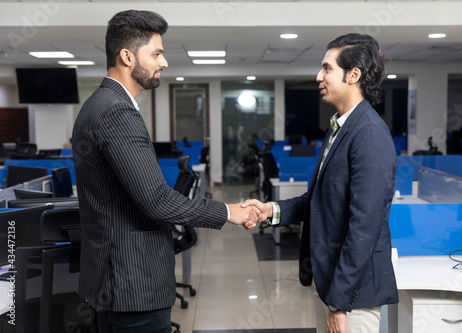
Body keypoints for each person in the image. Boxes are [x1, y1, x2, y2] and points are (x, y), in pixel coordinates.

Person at [72, 10, 262, 332]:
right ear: (128, 57)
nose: (164, 62)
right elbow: (157, 201)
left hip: (115, 279)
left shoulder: (97, 104)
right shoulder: (117, 111)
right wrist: (228, 212)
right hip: (133, 284)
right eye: (157, 53)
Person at [243, 33, 398, 333]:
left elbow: (364, 228)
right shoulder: (340, 128)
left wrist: (340, 304)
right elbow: (318, 200)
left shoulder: (369, 134)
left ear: (353, 75)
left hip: (354, 294)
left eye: (327, 68)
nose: (318, 76)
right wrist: (269, 211)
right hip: (331, 280)